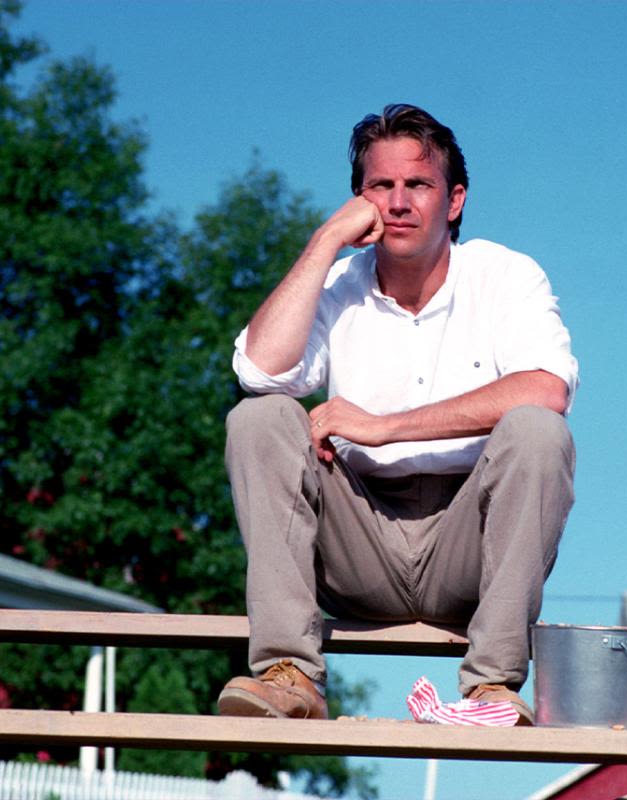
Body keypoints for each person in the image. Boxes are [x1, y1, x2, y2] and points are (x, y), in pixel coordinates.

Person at [216, 104, 578, 725]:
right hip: (358, 546)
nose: (399, 202)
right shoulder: (337, 281)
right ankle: (288, 673)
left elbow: (547, 389)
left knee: (538, 431)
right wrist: (325, 239)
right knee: (258, 418)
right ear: (361, 200)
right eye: (380, 187)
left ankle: (491, 685)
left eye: (418, 184)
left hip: (469, 547)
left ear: (454, 200)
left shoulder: (505, 275)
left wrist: (384, 426)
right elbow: (258, 372)